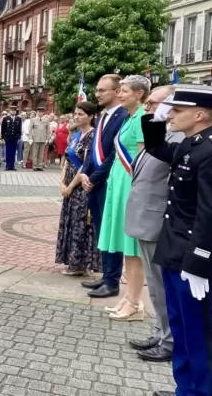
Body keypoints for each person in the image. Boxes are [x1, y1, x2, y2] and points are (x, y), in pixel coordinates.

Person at [143, 84, 212, 396]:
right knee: (181, 330)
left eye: (177, 110)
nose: (171, 116)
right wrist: (156, 114)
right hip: (174, 253)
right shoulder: (190, 144)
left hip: (193, 260)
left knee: (199, 335)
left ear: (201, 114)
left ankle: (202, 393)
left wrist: (198, 262)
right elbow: (155, 147)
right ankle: (186, 390)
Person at [125, 85, 182, 363]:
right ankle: (160, 333)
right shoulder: (160, 136)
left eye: (153, 104)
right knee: (154, 283)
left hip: (157, 219)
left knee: (161, 285)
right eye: (147, 104)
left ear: (169, 106)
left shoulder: (178, 137)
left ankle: (169, 340)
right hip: (145, 217)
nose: (148, 109)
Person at [96, 75, 149, 320]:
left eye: (125, 91)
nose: (120, 94)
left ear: (139, 94)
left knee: (133, 247)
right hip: (118, 183)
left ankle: (135, 303)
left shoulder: (144, 118)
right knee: (126, 248)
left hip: (131, 185)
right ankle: (128, 298)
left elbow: (144, 160)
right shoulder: (129, 117)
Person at [80, 74, 129, 299]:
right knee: (102, 231)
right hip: (94, 182)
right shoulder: (103, 117)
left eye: (102, 90)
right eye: (97, 90)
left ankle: (112, 281)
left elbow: (114, 154)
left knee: (111, 231)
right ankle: (106, 275)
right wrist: (85, 174)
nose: (97, 94)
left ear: (117, 91)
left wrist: (96, 177)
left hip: (107, 182)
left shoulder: (124, 116)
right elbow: (93, 149)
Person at [55, 101, 100, 276]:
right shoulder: (74, 136)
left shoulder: (92, 136)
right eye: (75, 113)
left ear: (90, 116)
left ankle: (79, 263)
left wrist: (72, 186)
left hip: (81, 185)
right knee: (69, 221)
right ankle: (69, 260)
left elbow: (85, 165)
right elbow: (66, 159)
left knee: (81, 223)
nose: (76, 117)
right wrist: (62, 183)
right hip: (68, 184)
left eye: (81, 114)